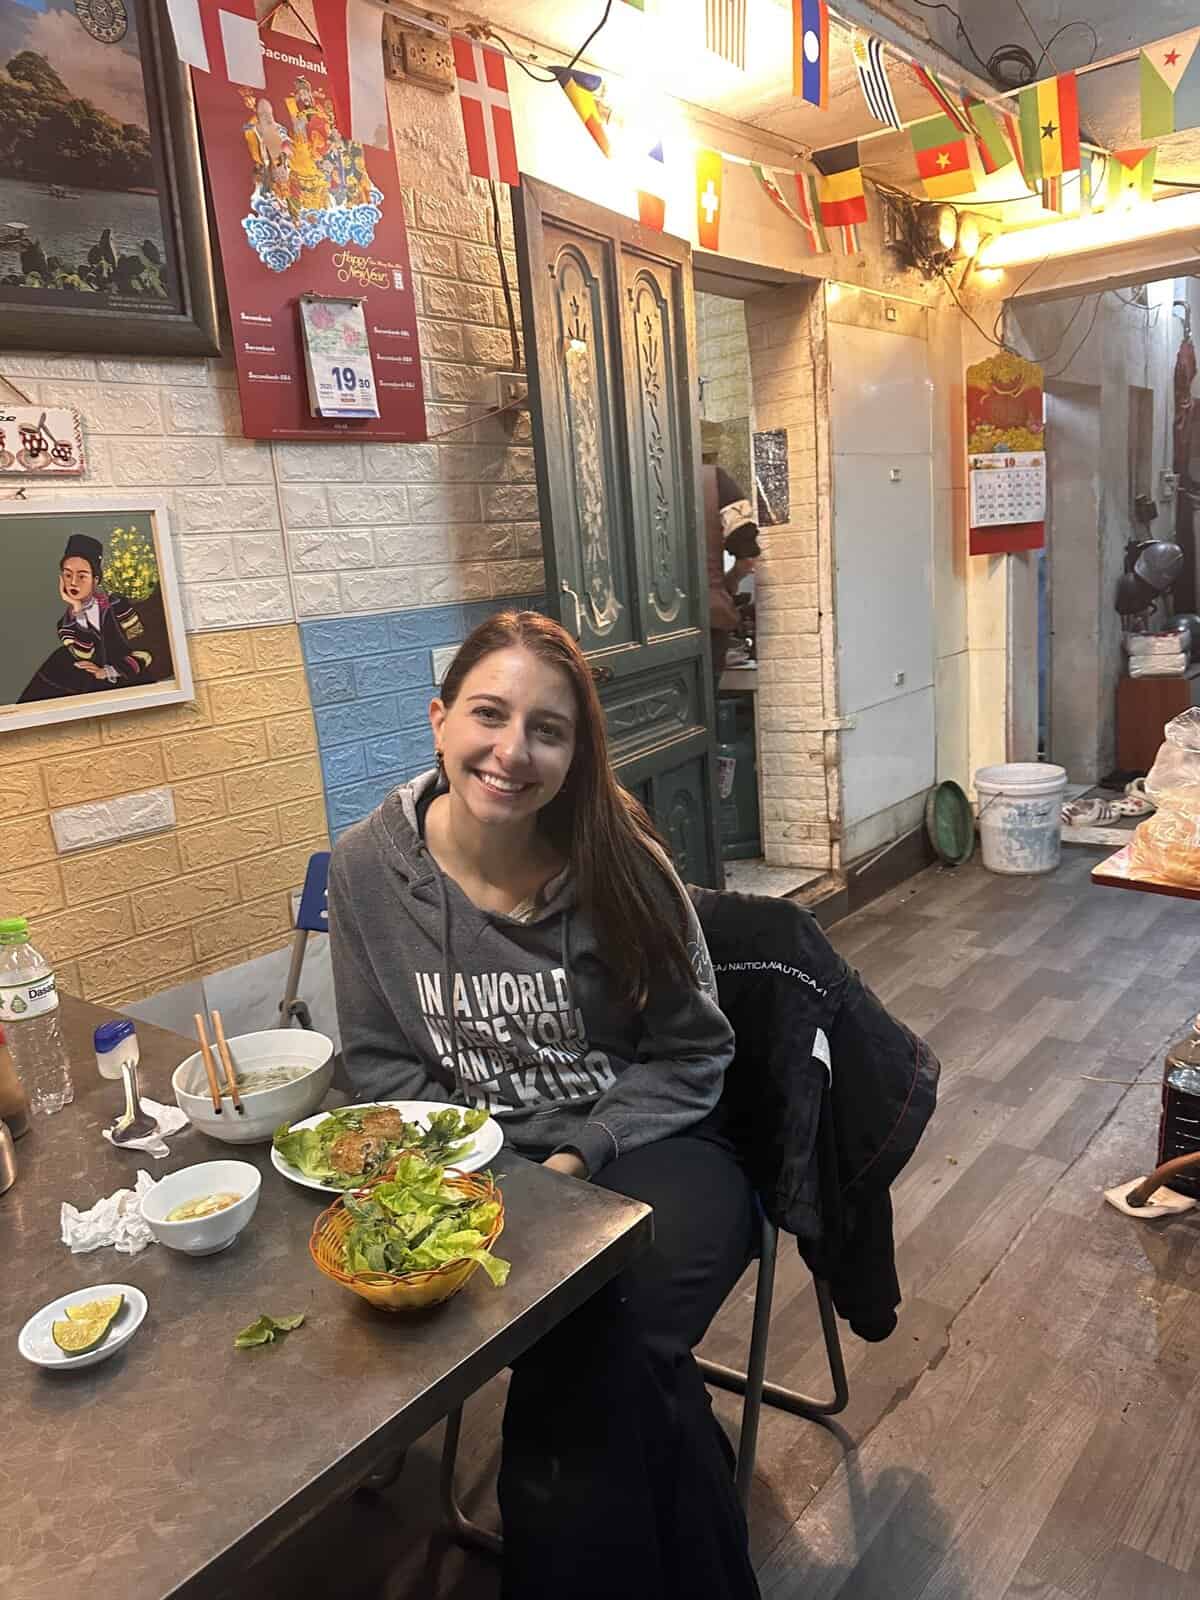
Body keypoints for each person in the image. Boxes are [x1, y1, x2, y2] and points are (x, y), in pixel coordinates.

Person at [328, 610, 761, 1600]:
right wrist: (489, 1173)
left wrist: (573, 1158)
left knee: (585, 1342)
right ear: (439, 721)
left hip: (650, 1148)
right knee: (612, 1366)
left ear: (577, 753)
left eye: (548, 730)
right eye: (488, 713)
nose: (512, 751)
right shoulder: (366, 870)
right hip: (481, 1173)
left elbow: (695, 1052)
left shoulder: (620, 864)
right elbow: (380, 1061)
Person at [55, 534, 151, 688]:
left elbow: (145, 649)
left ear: (96, 579)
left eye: (82, 576)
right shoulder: (65, 625)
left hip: (135, 682)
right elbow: (85, 656)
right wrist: (78, 610)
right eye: (67, 575)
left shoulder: (117, 605)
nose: (73, 582)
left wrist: (109, 671)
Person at [705, 462, 761, 696]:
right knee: (704, 700)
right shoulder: (712, 481)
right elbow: (747, 557)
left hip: (644, 630)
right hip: (708, 617)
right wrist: (729, 582)